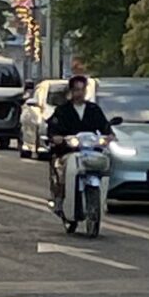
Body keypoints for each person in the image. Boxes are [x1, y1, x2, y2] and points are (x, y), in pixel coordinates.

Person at [47, 72, 113, 217]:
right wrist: (56, 137)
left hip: (91, 151)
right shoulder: (62, 110)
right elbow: (53, 127)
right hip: (68, 151)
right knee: (62, 171)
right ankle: (60, 198)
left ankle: (98, 203)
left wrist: (108, 136)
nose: (80, 93)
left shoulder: (93, 109)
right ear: (71, 91)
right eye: (77, 89)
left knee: (104, 164)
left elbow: (104, 126)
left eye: (82, 89)